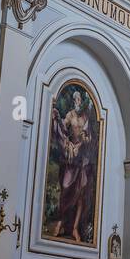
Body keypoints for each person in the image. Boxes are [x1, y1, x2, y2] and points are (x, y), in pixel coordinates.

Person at [52, 89, 94, 241]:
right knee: (66, 188)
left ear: (81, 102)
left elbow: (88, 138)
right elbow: (63, 129)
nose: (77, 101)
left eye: (79, 100)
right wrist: (56, 119)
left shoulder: (84, 118)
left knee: (80, 193)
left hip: (81, 158)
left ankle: (75, 228)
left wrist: (84, 140)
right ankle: (60, 221)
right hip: (70, 158)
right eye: (75, 99)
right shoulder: (70, 115)